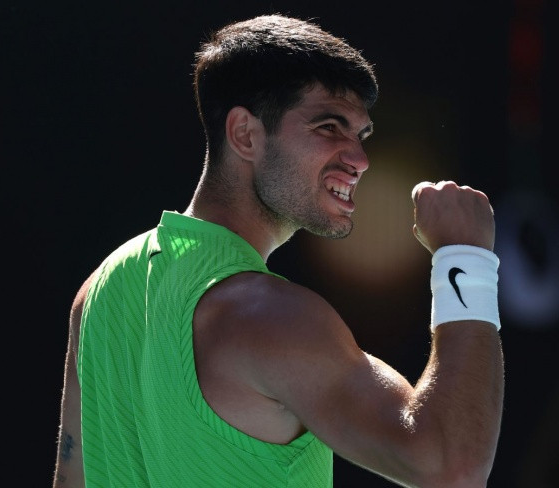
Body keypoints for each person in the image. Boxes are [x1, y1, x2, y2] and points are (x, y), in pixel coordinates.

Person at [52, 14, 505, 488]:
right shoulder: (269, 315)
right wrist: (464, 255)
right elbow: (452, 469)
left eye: (360, 135)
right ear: (245, 134)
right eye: (329, 126)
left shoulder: (97, 295)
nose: (359, 159)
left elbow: (70, 479)